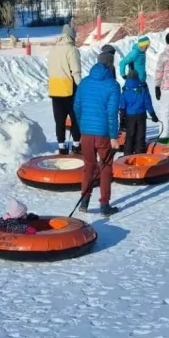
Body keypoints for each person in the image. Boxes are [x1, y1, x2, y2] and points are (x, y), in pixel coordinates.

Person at [73, 45, 121, 216]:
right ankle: (104, 205)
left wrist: (83, 127)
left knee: (88, 166)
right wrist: (114, 137)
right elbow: (112, 113)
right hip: (103, 134)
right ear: (111, 65)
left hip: (86, 133)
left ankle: (84, 202)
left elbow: (77, 107)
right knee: (105, 167)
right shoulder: (113, 85)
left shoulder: (84, 82)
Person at [46, 25, 82, 154]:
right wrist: (81, 87)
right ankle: (76, 146)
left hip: (55, 89)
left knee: (59, 121)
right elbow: (76, 71)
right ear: (71, 36)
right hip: (70, 89)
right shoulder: (72, 50)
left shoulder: (52, 50)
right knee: (75, 118)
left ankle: (61, 147)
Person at [119, 62, 157, 155]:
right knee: (140, 136)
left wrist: (122, 119)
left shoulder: (125, 91)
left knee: (129, 136)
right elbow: (148, 103)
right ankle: (139, 153)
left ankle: (127, 154)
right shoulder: (143, 90)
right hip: (141, 116)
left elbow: (122, 106)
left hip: (129, 116)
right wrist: (153, 115)